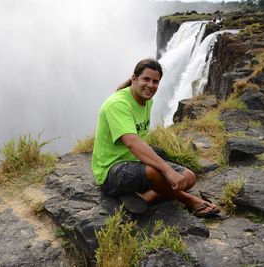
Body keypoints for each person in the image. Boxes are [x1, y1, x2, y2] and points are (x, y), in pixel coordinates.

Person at [92, 58, 220, 217]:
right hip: (110, 170)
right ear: (134, 79)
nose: (151, 85)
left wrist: (167, 171)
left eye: (155, 81)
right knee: (155, 171)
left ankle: (144, 197)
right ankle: (189, 201)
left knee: (188, 177)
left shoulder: (146, 101)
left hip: (135, 162)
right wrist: (167, 170)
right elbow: (132, 142)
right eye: (146, 79)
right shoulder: (118, 104)